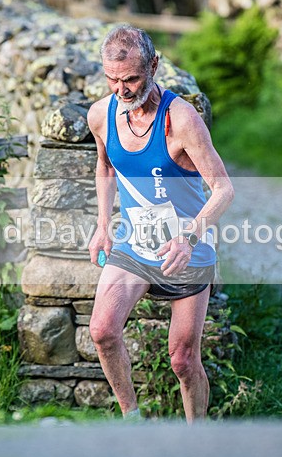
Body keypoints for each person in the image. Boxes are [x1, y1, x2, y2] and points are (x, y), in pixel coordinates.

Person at [87, 24, 234, 423]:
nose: (122, 89)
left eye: (132, 78)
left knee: (183, 359)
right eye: (113, 79)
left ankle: (195, 437)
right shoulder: (100, 115)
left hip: (186, 251)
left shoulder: (181, 119)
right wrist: (103, 225)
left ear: (154, 65)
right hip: (135, 246)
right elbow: (105, 167)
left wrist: (189, 236)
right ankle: (132, 422)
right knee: (102, 331)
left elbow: (223, 189)